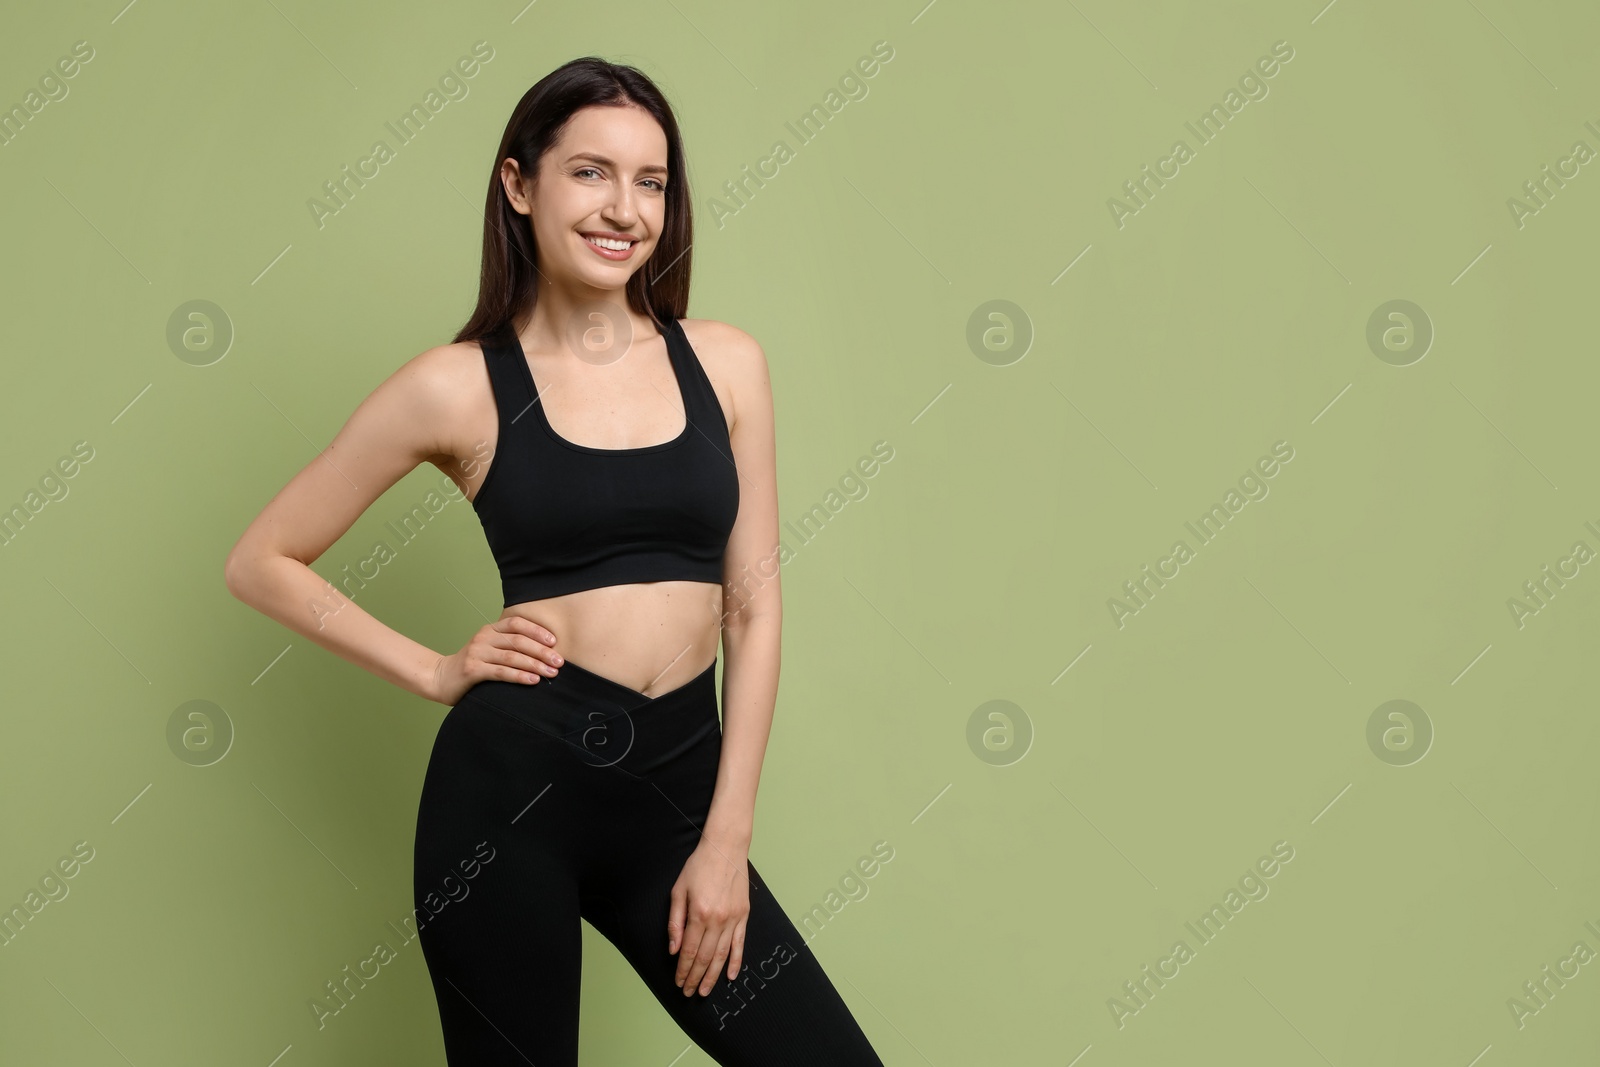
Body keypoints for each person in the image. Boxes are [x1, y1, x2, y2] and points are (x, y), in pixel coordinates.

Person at [223, 56, 885, 1066]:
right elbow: (262, 558)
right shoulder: (454, 387)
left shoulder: (725, 361)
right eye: (591, 172)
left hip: (679, 795)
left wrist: (726, 837)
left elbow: (750, 608)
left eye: (651, 180)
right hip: (508, 798)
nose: (625, 207)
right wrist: (434, 670)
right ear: (520, 184)